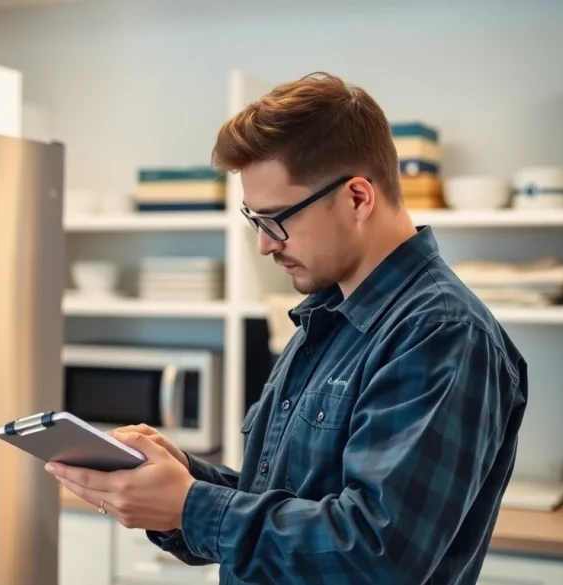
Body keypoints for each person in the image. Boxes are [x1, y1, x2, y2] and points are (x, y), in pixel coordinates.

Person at [45, 71, 528, 585]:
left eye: (277, 219)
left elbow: (376, 555)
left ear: (358, 198)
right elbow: (283, 498)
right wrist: (180, 477)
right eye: (255, 220)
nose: (265, 244)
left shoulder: (441, 332)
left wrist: (189, 506)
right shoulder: (326, 315)